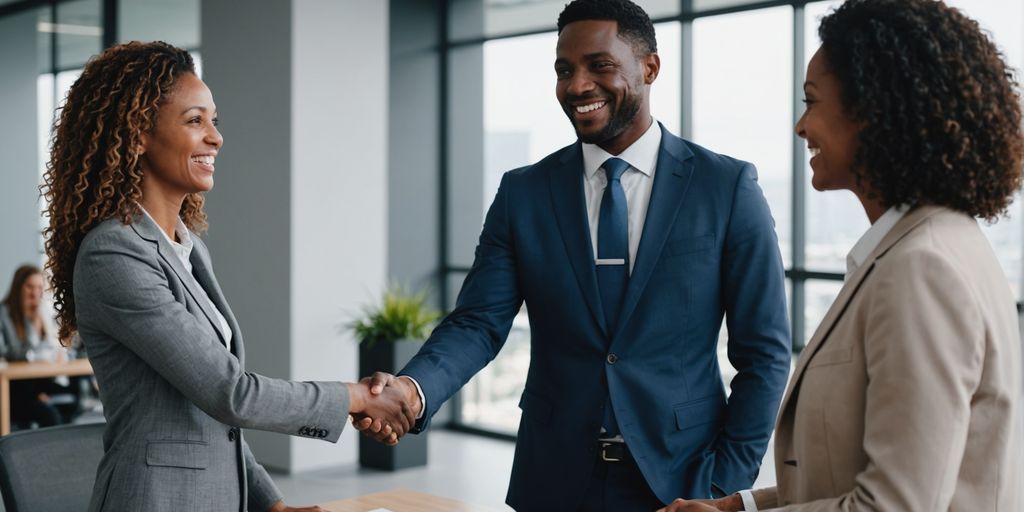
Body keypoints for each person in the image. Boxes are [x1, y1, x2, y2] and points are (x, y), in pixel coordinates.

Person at [359, 0, 791, 510]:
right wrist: (413, 389)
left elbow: (763, 353)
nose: (577, 85)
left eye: (599, 66)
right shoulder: (523, 192)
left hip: (683, 481)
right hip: (553, 479)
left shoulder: (726, 187)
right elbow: (478, 323)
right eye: (565, 70)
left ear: (650, 67)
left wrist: (724, 486)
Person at [661, 1, 1024, 511]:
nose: (800, 126)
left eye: (811, 102)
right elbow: (852, 474)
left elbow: (893, 505)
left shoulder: (922, 269)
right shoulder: (933, 242)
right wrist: (736, 506)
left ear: (875, 111)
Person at [42, 41, 414, 512]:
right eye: (195, 121)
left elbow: (211, 415)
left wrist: (272, 505)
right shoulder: (113, 253)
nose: (215, 137)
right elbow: (230, 392)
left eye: (214, 121)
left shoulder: (189, 249)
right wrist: (357, 397)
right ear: (137, 134)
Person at [0, 264, 69, 427]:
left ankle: (42, 396)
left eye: (39, 287)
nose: (35, 293)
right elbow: (4, 351)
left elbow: (53, 346)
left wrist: (39, 322)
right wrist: (31, 354)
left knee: (74, 387)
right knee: (49, 416)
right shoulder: (4, 313)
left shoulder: (41, 313)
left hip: (38, 381)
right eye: (29, 287)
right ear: (18, 288)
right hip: (14, 386)